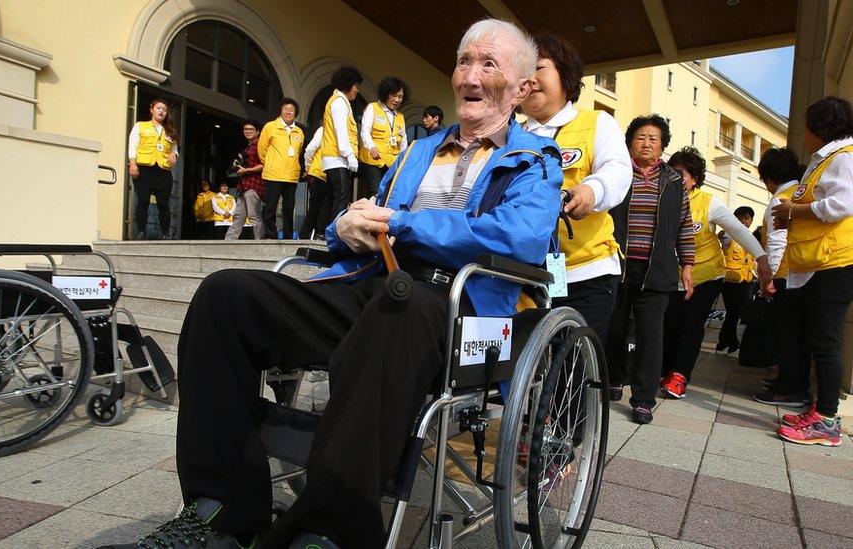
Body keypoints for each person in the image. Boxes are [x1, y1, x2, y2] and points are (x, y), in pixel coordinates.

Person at [101, 18, 561, 549]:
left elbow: (519, 238)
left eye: (489, 64)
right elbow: (365, 216)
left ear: (524, 87)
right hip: (368, 284)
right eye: (464, 61)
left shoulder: (536, 160)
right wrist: (342, 227)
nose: (470, 75)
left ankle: (329, 532)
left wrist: (402, 224)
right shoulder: (416, 151)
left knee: (403, 306)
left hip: (462, 309)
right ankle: (220, 513)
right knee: (226, 295)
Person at [520, 34, 631, 346]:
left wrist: (591, 191)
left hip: (586, 273)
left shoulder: (597, 122)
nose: (530, 79)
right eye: (523, 72)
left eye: (539, 68)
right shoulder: (512, 135)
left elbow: (619, 171)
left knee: (571, 371)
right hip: (523, 274)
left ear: (565, 75)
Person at [763, 97, 853, 445]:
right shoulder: (824, 161)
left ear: (820, 127)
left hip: (834, 262)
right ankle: (820, 412)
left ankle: (828, 421)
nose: (802, 133)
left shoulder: (844, 159)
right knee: (818, 341)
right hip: (816, 263)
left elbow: (842, 204)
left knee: (826, 342)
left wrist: (794, 211)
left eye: (805, 125)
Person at [659, 147, 771, 399]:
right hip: (671, 278)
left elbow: (739, 232)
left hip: (707, 275)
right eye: (670, 173)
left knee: (691, 324)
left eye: (680, 174)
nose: (674, 179)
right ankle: (664, 371)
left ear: (695, 178)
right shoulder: (661, 198)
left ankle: (680, 376)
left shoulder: (710, 203)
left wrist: (761, 259)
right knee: (670, 325)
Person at [605, 115, 695, 424]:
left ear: (663, 145)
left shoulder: (673, 182)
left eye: (653, 138)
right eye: (640, 137)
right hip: (616, 264)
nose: (646, 143)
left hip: (657, 270)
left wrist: (687, 265)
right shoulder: (616, 173)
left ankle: (643, 399)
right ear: (630, 142)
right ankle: (614, 377)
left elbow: (684, 227)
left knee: (650, 335)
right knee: (614, 328)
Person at [752, 148, 803, 401]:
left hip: (784, 274)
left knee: (786, 334)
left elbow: (777, 241)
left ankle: (787, 387)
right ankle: (792, 383)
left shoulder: (780, 199)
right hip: (803, 273)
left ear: (770, 178)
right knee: (798, 334)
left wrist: (767, 278)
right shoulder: (802, 192)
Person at [128, 98, 179, 240]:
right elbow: (133, 144)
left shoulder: (170, 130)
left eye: (164, 109)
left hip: (163, 170)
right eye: (159, 108)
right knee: (143, 201)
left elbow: (174, 147)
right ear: (152, 110)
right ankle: (141, 232)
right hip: (144, 168)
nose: (161, 111)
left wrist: (174, 154)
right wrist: (132, 163)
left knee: (163, 204)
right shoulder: (141, 126)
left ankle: (165, 234)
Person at [321, 66, 363, 222]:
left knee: (332, 197)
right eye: (356, 86)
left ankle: (325, 231)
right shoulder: (339, 102)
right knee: (342, 196)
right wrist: (350, 155)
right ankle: (335, 231)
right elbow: (341, 131)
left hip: (334, 157)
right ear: (347, 85)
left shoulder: (339, 101)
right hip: (337, 157)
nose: (357, 90)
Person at [716, 206, 759, 354]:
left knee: (734, 314)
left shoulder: (749, 238)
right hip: (731, 282)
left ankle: (723, 344)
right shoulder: (730, 235)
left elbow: (753, 261)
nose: (744, 222)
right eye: (740, 218)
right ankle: (732, 344)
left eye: (747, 219)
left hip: (746, 282)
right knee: (733, 314)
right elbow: (723, 236)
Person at [259, 99, 304, 240]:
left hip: (291, 175)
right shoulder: (270, 127)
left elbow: (299, 152)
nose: (288, 112)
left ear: (295, 113)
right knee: (270, 207)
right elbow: (262, 149)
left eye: (291, 109)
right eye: (286, 109)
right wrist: (271, 164)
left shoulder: (299, 132)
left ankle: (288, 236)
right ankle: (270, 235)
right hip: (273, 174)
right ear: (280, 110)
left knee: (289, 208)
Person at [358, 77, 409, 200]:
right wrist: (371, 147)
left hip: (391, 163)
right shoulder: (373, 108)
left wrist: (406, 159)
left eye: (400, 97)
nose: (397, 99)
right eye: (394, 95)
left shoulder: (400, 117)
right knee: (375, 192)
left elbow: (403, 142)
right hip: (372, 161)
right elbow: (365, 131)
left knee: (388, 194)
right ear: (386, 93)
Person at [227, 121, 265, 240]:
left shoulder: (260, 145)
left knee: (254, 216)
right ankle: (228, 242)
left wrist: (247, 170)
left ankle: (260, 242)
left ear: (258, 131)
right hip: (243, 186)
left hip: (254, 185)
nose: (248, 131)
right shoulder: (247, 147)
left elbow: (264, 164)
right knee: (238, 216)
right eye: (245, 129)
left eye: (251, 129)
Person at [299, 126, 331, 239]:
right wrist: (308, 168)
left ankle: (319, 234)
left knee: (325, 208)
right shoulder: (323, 129)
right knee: (315, 207)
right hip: (317, 173)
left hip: (329, 175)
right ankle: (303, 235)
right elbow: (310, 149)